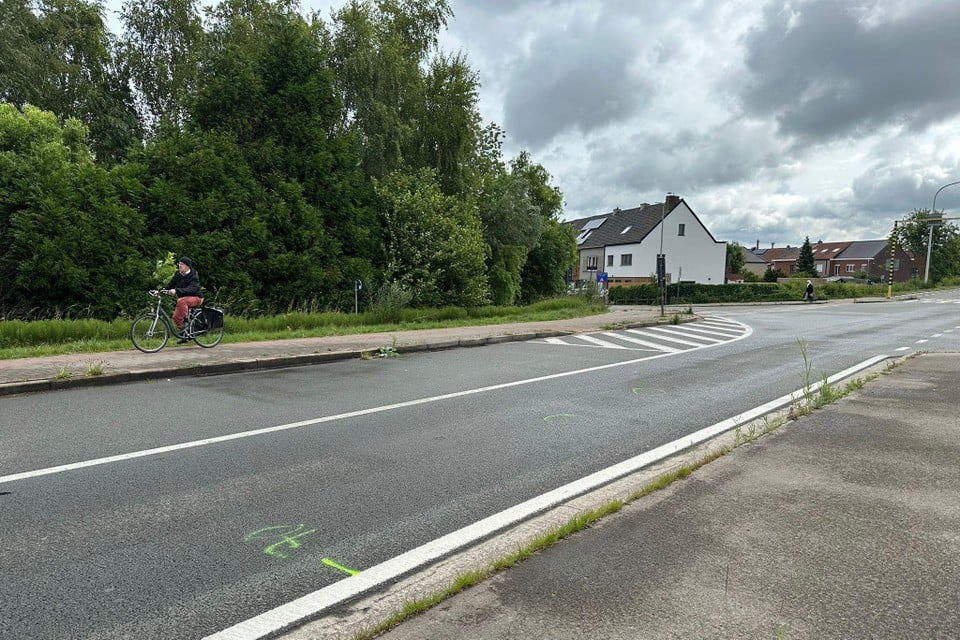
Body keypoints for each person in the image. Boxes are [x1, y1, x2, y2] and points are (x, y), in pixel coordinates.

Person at [163, 257, 203, 342]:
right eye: (179, 264)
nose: (179, 265)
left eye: (182, 264)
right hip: (183, 300)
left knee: (181, 301)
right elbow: (170, 285)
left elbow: (192, 289)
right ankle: (185, 334)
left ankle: (187, 324)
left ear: (187, 266)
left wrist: (177, 290)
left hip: (196, 298)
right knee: (176, 317)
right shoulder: (178, 274)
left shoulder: (193, 274)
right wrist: (160, 291)